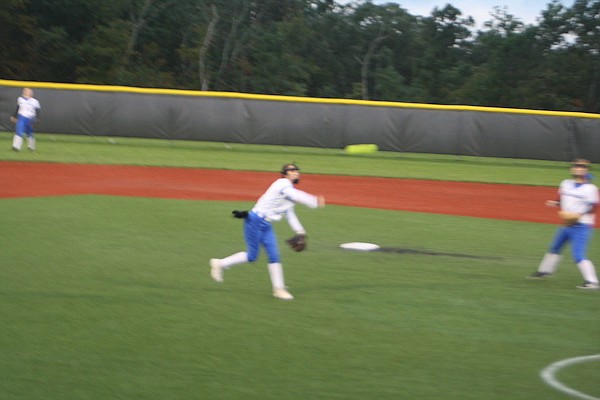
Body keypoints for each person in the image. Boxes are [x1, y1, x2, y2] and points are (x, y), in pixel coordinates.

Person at [209, 163, 325, 300]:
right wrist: (314, 201)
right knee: (252, 256)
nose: (296, 172)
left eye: (297, 170)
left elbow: (290, 213)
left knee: (274, 255)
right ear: (285, 174)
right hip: (254, 221)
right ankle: (220, 264)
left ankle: (278, 289)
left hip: (266, 225)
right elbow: (296, 194)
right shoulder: (281, 183)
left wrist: (300, 232)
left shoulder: (289, 192)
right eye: (292, 170)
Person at [529, 159, 599, 289]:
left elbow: (595, 207)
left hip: (582, 226)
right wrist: (555, 203)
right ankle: (544, 271)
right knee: (555, 247)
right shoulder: (566, 183)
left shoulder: (590, 188)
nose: (578, 168)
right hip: (566, 224)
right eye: (576, 166)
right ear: (572, 169)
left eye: (582, 167)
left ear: (586, 170)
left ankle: (592, 282)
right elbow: (560, 199)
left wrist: (579, 215)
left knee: (578, 255)